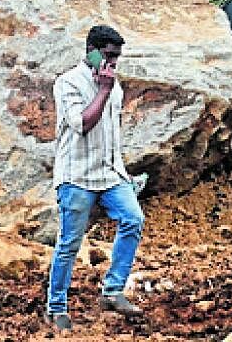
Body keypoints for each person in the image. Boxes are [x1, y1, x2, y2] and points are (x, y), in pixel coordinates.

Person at [46, 25, 146, 331]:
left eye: (117, 57)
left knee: (133, 219)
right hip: (76, 175)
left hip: (109, 173)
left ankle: (113, 290)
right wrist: (102, 89)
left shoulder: (114, 86)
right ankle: (56, 306)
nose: (113, 63)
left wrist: (123, 173)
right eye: (108, 55)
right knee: (70, 243)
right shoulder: (68, 83)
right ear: (91, 50)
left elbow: (112, 134)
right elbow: (83, 124)